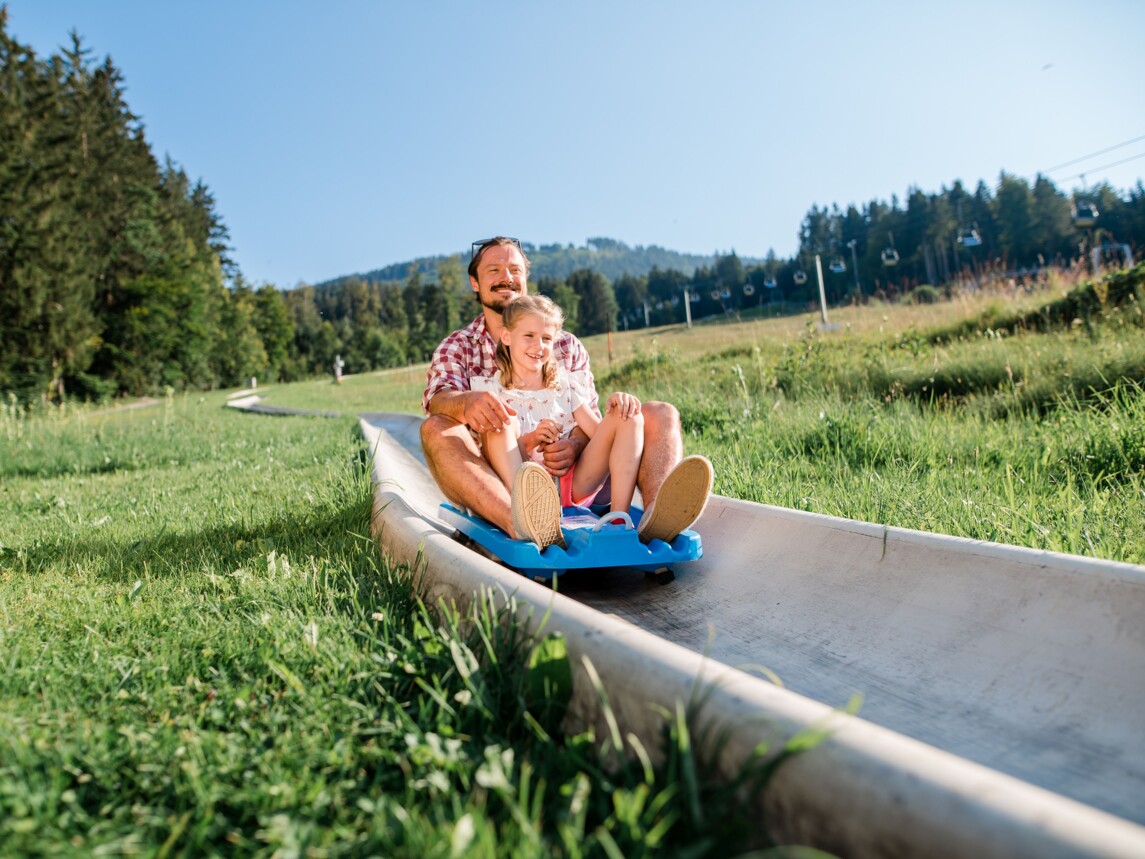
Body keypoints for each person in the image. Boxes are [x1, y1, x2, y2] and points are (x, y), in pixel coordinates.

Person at [421, 236, 712, 548]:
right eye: (494, 270)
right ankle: (521, 520)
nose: (506, 277)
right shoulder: (460, 346)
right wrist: (466, 402)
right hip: (496, 475)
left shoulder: (564, 345)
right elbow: (438, 398)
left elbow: (593, 423)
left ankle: (657, 518)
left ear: (526, 279)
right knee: (437, 428)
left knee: (659, 413)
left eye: (515, 270)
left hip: (577, 476)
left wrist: (573, 444)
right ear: (475, 282)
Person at [474, 293, 645, 545]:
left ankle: (618, 520)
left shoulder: (565, 385)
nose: (539, 346)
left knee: (628, 415)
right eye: (529, 336)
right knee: (502, 423)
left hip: (572, 483)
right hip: (524, 489)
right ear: (507, 337)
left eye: (546, 338)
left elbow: (601, 436)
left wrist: (617, 408)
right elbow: (489, 457)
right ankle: (527, 517)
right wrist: (531, 440)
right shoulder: (492, 392)